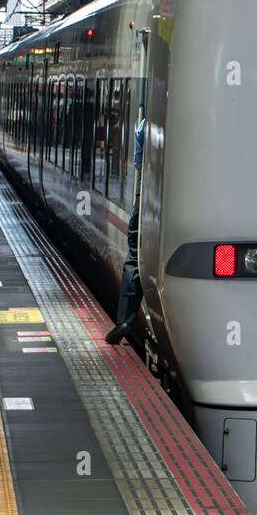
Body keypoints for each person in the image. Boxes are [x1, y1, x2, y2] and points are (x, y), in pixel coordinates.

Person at [106, 117, 147, 345]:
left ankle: (125, 320)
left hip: (148, 196)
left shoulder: (145, 125)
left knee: (134, 256)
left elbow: (139, 163)